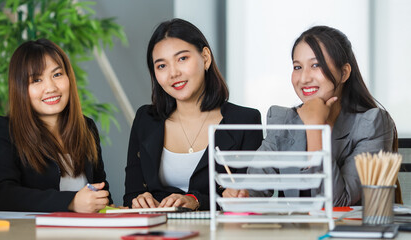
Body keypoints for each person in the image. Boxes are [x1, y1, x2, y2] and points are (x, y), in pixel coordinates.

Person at [223, 26, 398, 206]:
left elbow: (338, 203)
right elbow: (254, 188)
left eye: (316, 65)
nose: (304, 78)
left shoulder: (372, 123)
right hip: (296, 233)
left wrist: (315, 128)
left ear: (344, 72)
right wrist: (241, 194)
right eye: (297, 67)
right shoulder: (284, 120)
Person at [123, 18, 263, 210]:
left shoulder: (245, 121)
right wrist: (139, 200)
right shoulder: (145, 119)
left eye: (182, 59)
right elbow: (131, 195)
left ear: (205, 57)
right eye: (161, 66)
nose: (173, 73)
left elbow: (248, 198)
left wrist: (197, 201)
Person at [0, 39, 111, 212]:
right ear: (20, 88)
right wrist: (70, 202)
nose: (50, 87)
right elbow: (2, 195)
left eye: (57, 74)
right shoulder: (3, 130)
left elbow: (101, 191)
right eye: (36, 80)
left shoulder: (85, 127)